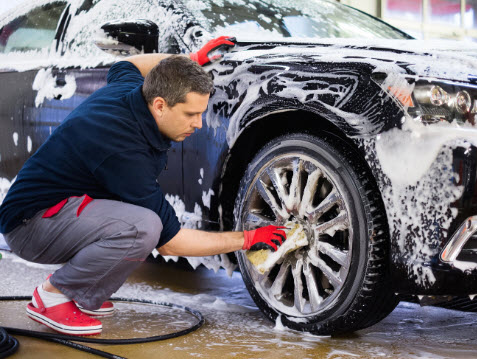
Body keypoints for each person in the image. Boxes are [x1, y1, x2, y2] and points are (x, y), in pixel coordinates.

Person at [0, 36, 287, 336]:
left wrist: (190, 59)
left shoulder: (133, 91)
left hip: (56, 209)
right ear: (160, 105)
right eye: (191, 114)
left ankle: (84, 295)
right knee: (144, 227)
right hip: (30, 226)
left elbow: (126, 64)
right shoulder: (124, 152)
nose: (199, 124)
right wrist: (247, 238)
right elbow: (170, 241)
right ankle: (52, 295)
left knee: (140, 222)